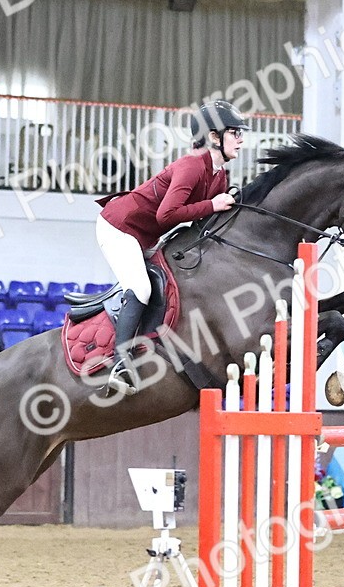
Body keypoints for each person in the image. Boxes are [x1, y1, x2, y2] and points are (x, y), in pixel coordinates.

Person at [95, 100, 247, 393]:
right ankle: (119, 363)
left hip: (146, 234)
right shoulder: (191, 166)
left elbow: (203, 221)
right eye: (234, 133)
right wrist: (212, 204)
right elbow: (167, 214)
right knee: (140, 288)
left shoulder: (219, 175)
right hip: (119, 227)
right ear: (214, 137)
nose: (240, 139)